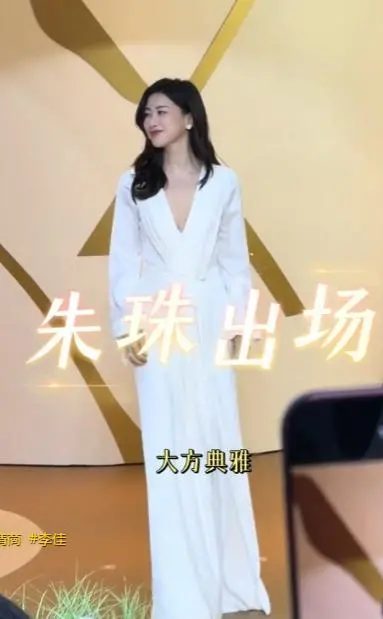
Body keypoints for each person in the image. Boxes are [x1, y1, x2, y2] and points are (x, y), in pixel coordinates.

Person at [109, 77, 271, 619]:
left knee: (216, 442)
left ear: (189, 117)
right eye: (146, 113)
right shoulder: (133, 183)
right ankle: (182, 596)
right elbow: (122, 261)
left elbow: (233, 260)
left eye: (161, 111)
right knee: (168, 452)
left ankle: (232, 585)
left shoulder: (224, 182)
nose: (151, 121)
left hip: (208, 322)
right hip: (157, 322)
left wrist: (239, 323)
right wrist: (127, 326)